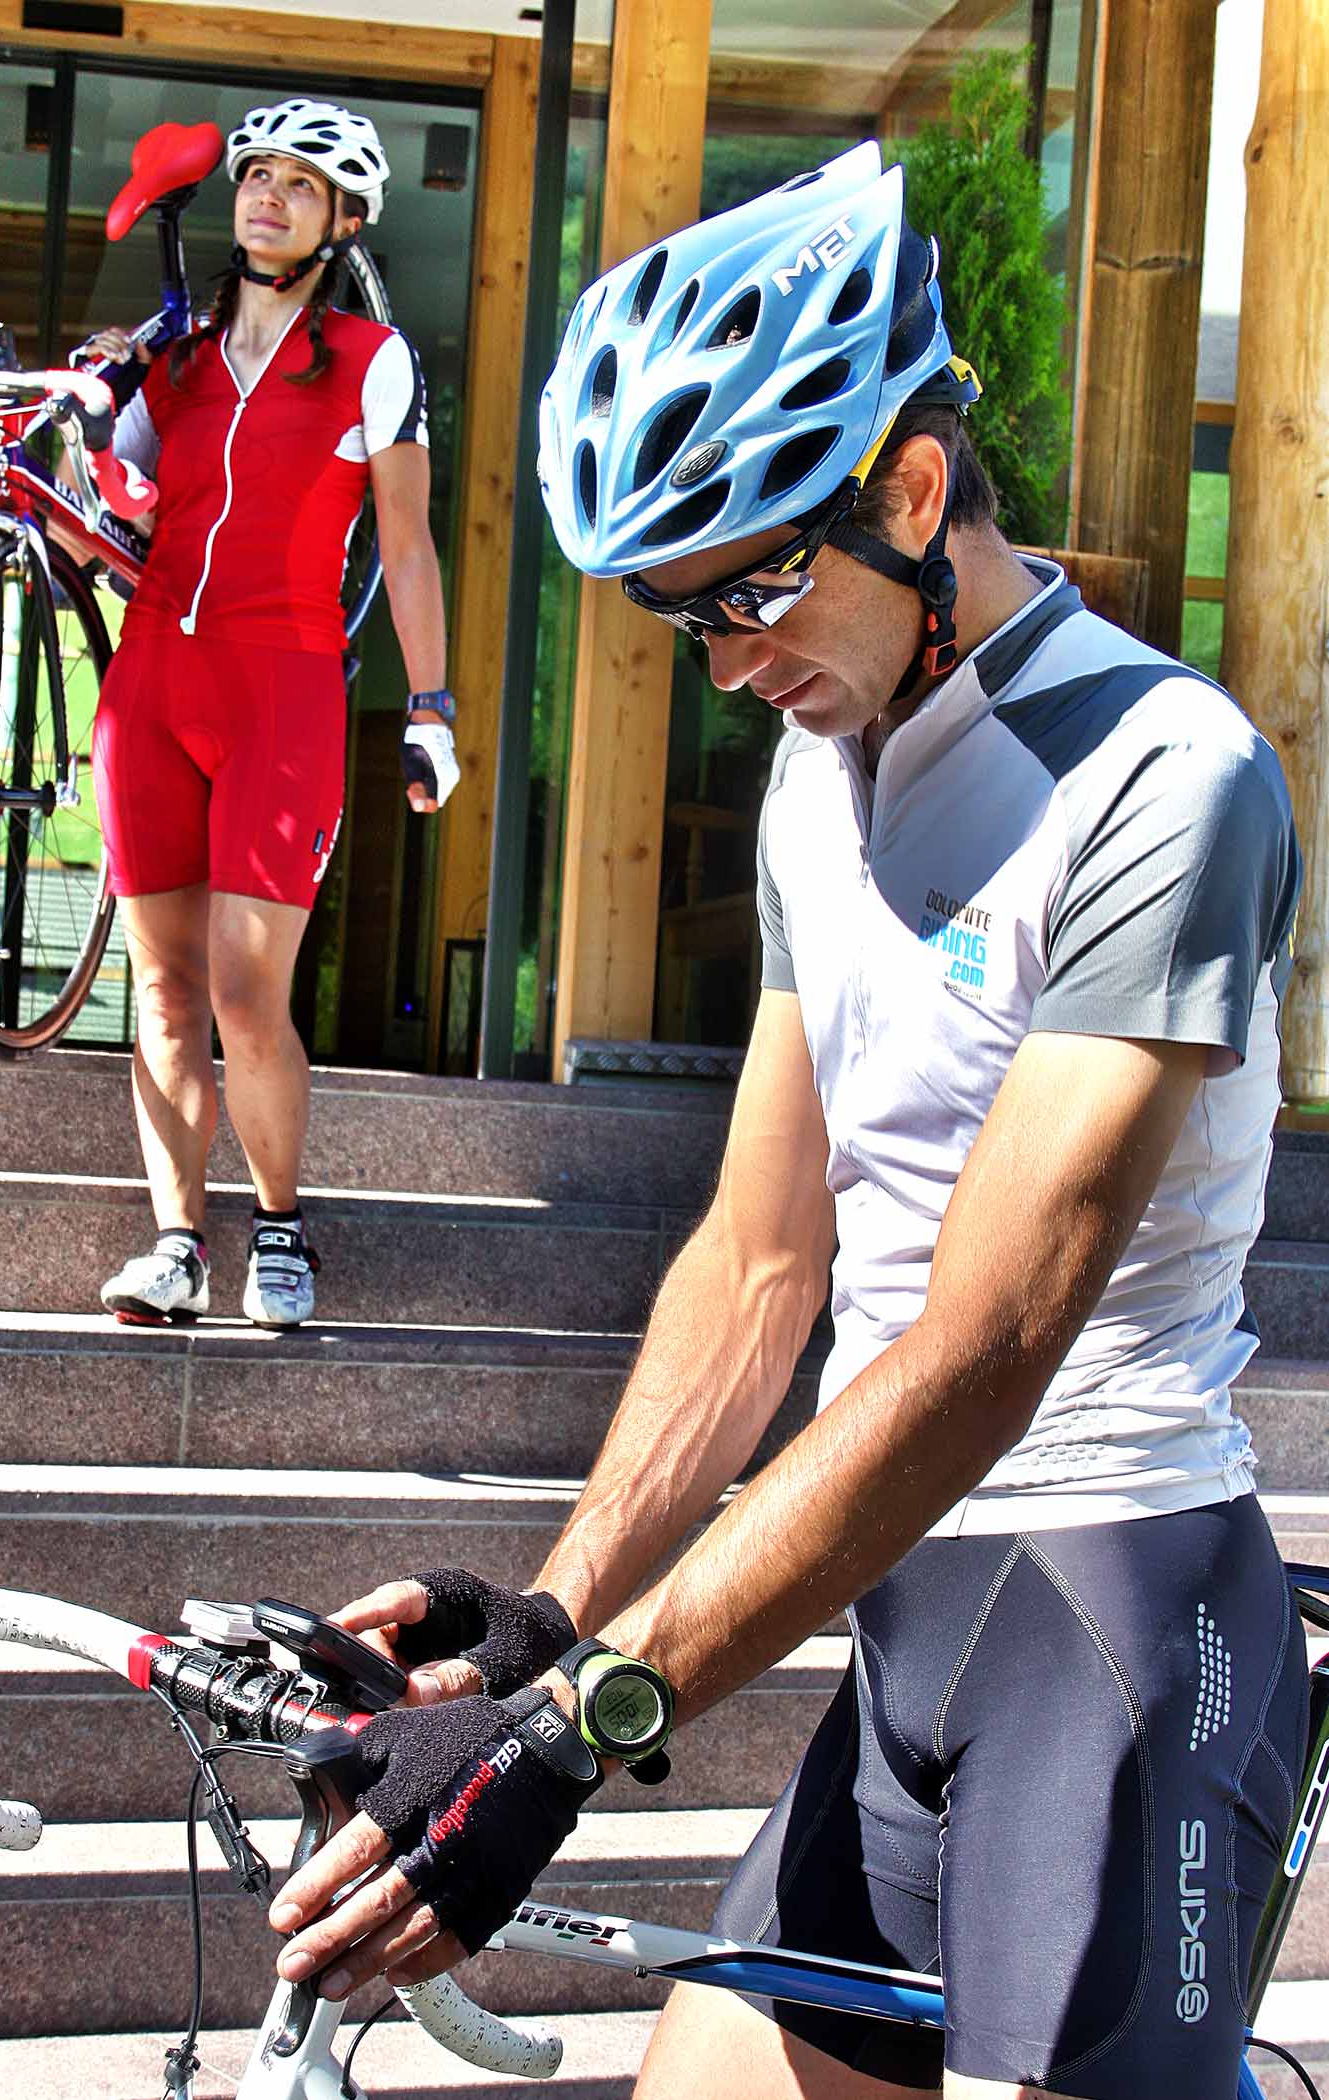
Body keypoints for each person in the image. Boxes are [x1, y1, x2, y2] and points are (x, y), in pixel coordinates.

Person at [261, 141, 1309, 2100]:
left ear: (913, 491)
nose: (732, 668)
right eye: (685, 623)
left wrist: (573, 1734)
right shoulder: (813, 781)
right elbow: (758, 1266)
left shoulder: (1168, 782)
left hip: (1111, 1617)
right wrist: (545, 1621)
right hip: (901, 1633)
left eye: (750, 591)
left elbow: (976, 1358)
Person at [83, 99, 459, 1331]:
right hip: (151, 685)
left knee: (248, 994)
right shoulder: (173, 351)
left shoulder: (369, 359)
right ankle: (177, 1245)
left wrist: (431, 703)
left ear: (342, 219)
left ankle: (281, 1228)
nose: (269, 198)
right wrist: (85, 433)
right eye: (259, 177)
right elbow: (114, 513)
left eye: (303, 186)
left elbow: (404, 547)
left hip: (282, 691)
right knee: (163, 989)